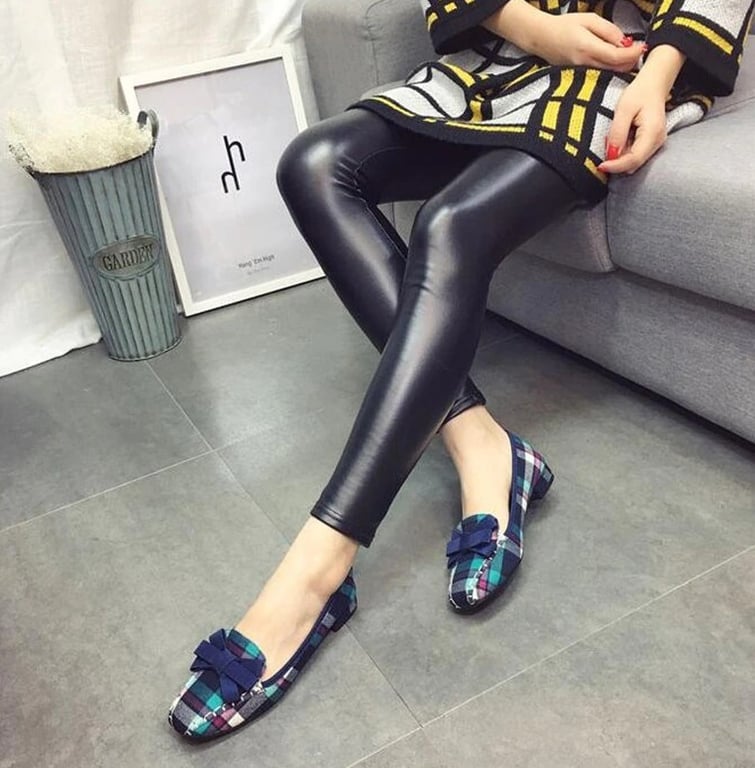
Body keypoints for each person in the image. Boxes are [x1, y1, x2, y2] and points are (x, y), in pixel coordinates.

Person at [168, 0, 753, 740]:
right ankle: (483, 447)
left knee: (449, 225)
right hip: (498, 63)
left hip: (621, 73)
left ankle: (315, 571)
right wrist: (535, 29)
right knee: (312, 165)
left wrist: (659, 76)